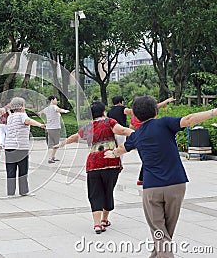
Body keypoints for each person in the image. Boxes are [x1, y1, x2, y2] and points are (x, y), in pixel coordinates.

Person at [105, 96, 217, 258]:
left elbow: (123, 148)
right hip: (176, 185)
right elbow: (189, 120)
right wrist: (213, 112)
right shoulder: (165, 123)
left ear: (135, 116)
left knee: (160, 233)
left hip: (152, 189)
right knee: (165, 234)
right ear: (156, 111)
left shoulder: (137, 134)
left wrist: (112, 153)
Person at [54, 101, 133, 234]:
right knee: (108, 190)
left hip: (93, 164)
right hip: (110, 162)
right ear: (104, 112)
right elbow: (123, 131)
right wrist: (140, 134)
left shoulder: (88, 127)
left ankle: (97, 224)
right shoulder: (110, 122)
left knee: (95, 193)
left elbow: (75, 137)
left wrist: (61, 144)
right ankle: (104, 219)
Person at [5, 97, 46, 196]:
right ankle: (23, 191)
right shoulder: (22, 115)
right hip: (20, 148)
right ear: (21, 106)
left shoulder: (10, 117)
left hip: (9, 147)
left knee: (10, 170)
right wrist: (40, 125)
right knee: (22, 170)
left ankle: (10, 192)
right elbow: (28, 121)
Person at [130, 97, 176, 185]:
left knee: (146, 158)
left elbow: (131, 128)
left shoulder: (133, 118)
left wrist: (132, 138)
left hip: (141, 139)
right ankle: (145, 178)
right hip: (152, 136)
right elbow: (158, 106)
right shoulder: (150, 114)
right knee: (152, 159)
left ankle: (142, 179)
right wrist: (167, 101)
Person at [39, 96, 69, 163]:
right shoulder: (54, 107)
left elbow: (41, 112)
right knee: (56, 144)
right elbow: (59, 110)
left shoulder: (47, 108)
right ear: (52, 100)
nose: (56, 101)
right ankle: (51, 158)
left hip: (48, 128)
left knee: (50, 144)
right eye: (56, 99)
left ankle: (52, 157)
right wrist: (65, 111)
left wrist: (40, 114)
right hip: (55, 128)